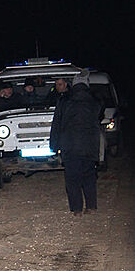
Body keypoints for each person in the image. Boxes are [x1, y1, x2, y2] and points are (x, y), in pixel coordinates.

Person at [49, 69, 102, 217]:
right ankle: (91, 207)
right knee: (89, 176)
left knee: (72, 179)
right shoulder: (95, 101)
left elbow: (57, 124)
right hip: (90, 146)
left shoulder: (64, 100)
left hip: (70, 146)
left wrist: (54, 145)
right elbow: (99, 117)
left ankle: (77, 209)